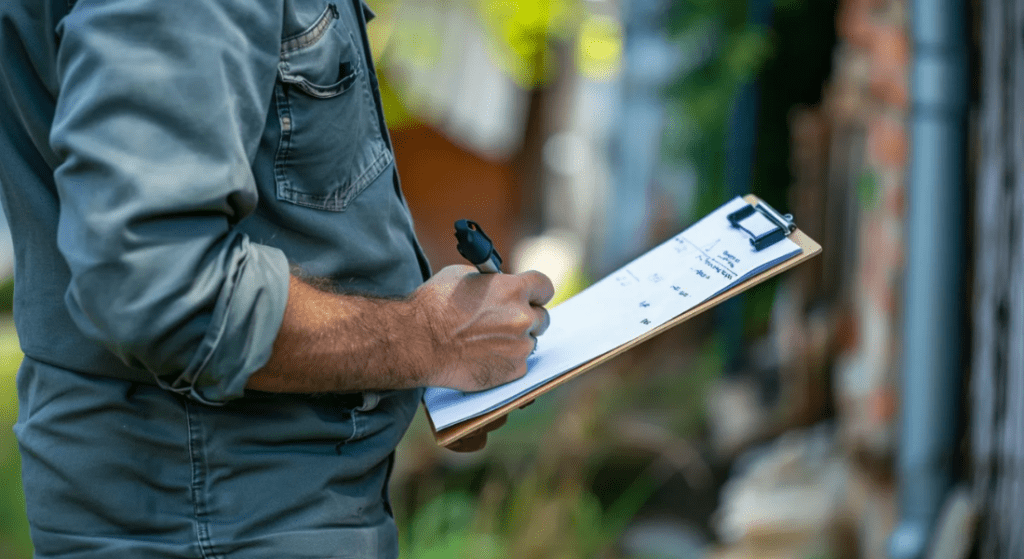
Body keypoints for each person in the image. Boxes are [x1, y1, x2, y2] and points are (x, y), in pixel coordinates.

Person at [0, 0, 553, 557]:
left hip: (240, 508)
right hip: (216, 518)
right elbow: (160, 285)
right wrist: (430, 339)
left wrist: (441, 352)